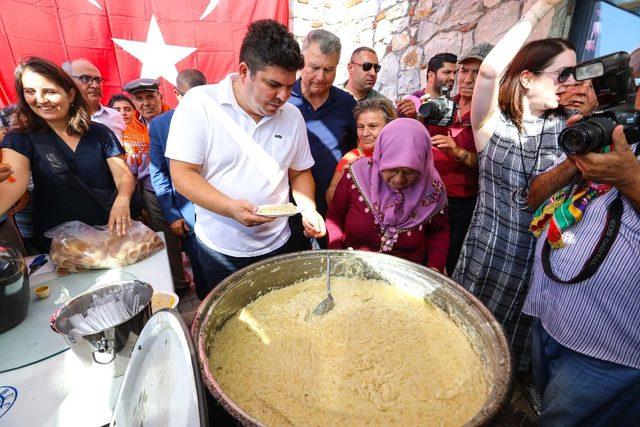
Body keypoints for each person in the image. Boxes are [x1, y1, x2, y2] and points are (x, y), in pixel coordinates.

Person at [452, 0, 575, 373]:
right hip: (488, 259)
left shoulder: (571, 130)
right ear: (527, 77)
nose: (572, 82)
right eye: (563, 74)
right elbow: (489, 73)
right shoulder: (493, 123)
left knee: (514, 369)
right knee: (466, 351)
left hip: (540, 269)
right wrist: (534, 15)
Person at [166, 19, 325, 292]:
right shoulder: (200, 104)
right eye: (273, 84)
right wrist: (229, 207)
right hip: (221, 251)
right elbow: (182, 174)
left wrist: (308, 208)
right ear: (244, 71)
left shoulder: (292, 116)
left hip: (279, 244)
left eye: (290, 86)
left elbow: (299, 172)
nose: (283, 96)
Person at [523, 119, 640, 424]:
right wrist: (577, 159)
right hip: (550, 318)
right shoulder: (613, 135)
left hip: (609, 352)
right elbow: (533, 197)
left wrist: (629, 179)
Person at [0, 57, 135, 252]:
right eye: (30, 92)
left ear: (70, 94)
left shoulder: (99, 132)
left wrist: (123, 199)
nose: (40, 99)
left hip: (110, 233)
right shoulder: (19, 140)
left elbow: (123, 175)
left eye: (50, 91)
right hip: (60, 245)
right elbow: (12, 187)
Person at [326, 118, 449, 271]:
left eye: (410, 172)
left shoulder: (432, 190)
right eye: (391, 169)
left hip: (405, 280)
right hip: (351, 272)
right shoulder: (356, 176)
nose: (398, 179)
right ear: (380, 157)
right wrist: (337, 255)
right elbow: (334, 218)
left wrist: (435, 266)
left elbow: (438, 232)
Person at [418, 44, 492, 275]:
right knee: (420, 253)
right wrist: (417, 117)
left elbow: (489, 164)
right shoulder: (443, 103)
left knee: (447, 262)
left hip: (459, 204)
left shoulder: (491, 114)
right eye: (464, 71)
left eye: (477, 72)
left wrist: (457, 152)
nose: (468, 79)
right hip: (427, 195)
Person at [123, 78, 189, 292]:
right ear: (133, 102)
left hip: (186, 188)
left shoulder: (179, 119)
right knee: (167, 241)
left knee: (193, 235)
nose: (146, 103)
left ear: (161, 97)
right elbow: (132, 171)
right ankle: (179, 284)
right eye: (139, 99)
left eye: (150, 97)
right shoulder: (129, 131)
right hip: (153, 192)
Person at [149, 69, 209, 299]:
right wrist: (172, 214)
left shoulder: (219, 117)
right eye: (189, 97)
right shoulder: (161, 125)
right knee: (201, 268)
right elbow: (159, 173)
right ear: (176, 94)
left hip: (226, 213)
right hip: (189, 213)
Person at [289, 30, 357, 220]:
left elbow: (355, 152)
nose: (320, 77)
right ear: (301, 61)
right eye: (314, 67)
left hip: (333, 207)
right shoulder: (282, 101)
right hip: (288, 208)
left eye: (328, 70)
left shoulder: (347, 105)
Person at [325, 98, 396, 205]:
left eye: (373, 126)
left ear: (390, 127)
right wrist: (343, 181)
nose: (365, 133)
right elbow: (331, 202)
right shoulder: (351, 158)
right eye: (361, 127)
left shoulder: (400, 157)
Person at [62, 58, 125, 141]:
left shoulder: (115, 116)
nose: (95, 86)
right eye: (86, 79)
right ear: (68, 81)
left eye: (98, 80)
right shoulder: (61, 118)